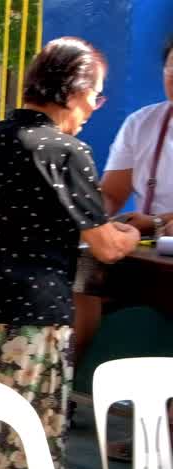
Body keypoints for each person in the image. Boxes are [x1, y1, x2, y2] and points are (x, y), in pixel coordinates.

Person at [0, 38, 139, 469]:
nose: (93, 108)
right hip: (33, 325)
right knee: (28, 442)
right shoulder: (63, 150)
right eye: (95, 96)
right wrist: (128, 234)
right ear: (74, 89)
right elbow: (103, 242)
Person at [89, 37, 173, 367]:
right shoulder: (143, 123)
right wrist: (90, 216)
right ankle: (76, 390)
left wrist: (154, 220)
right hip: (151, 256)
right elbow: (111, 194)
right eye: (171, 69)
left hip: (156, 240)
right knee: (82, 279)